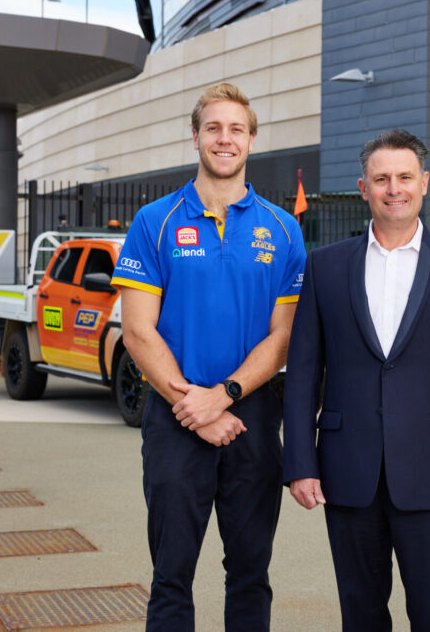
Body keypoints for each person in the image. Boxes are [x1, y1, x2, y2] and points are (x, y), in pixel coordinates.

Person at [283, 128, 430, 631]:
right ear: (363, 188)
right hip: (347, 474)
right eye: (381, 179)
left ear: (424, 184)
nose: (394, 188)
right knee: (360, 615)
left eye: (404, 177)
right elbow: (302, 374)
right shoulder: (325, 267)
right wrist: (299, 461)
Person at [111, 82, 306, 631]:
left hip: (254, 417)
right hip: (175, 419)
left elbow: (283, 335)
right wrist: (192, 407)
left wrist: (223, 399)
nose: (225, 139)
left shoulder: (283, 228)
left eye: (236, 129)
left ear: (252, 140)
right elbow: (138, 332)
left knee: (250, 573)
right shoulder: (156, 221)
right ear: (195, 136)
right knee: (171, 575)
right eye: (214, 128)